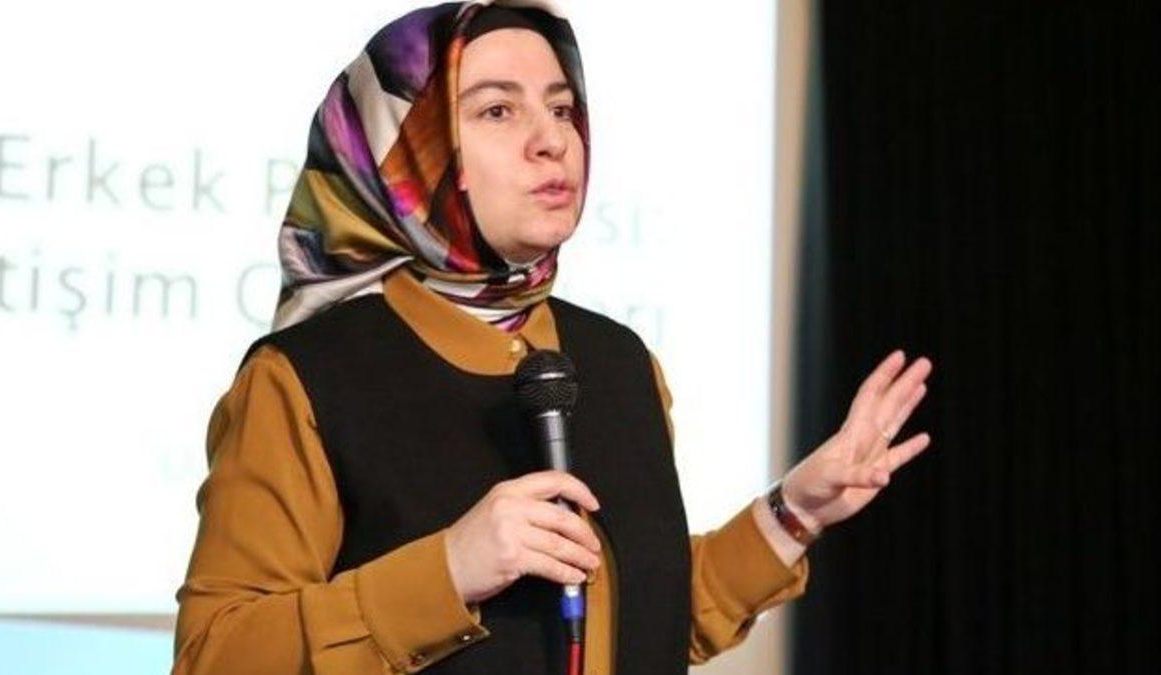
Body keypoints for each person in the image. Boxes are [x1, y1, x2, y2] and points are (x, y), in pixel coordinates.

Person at [171, 2, 933, 674]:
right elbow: (215, 653)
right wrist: (448, 570)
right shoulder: (308, 376)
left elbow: (645, 622)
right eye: (497, 111)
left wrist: (794, 511)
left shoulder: (617, 360)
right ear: (408, 151)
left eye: (563, 109)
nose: (551, 140)